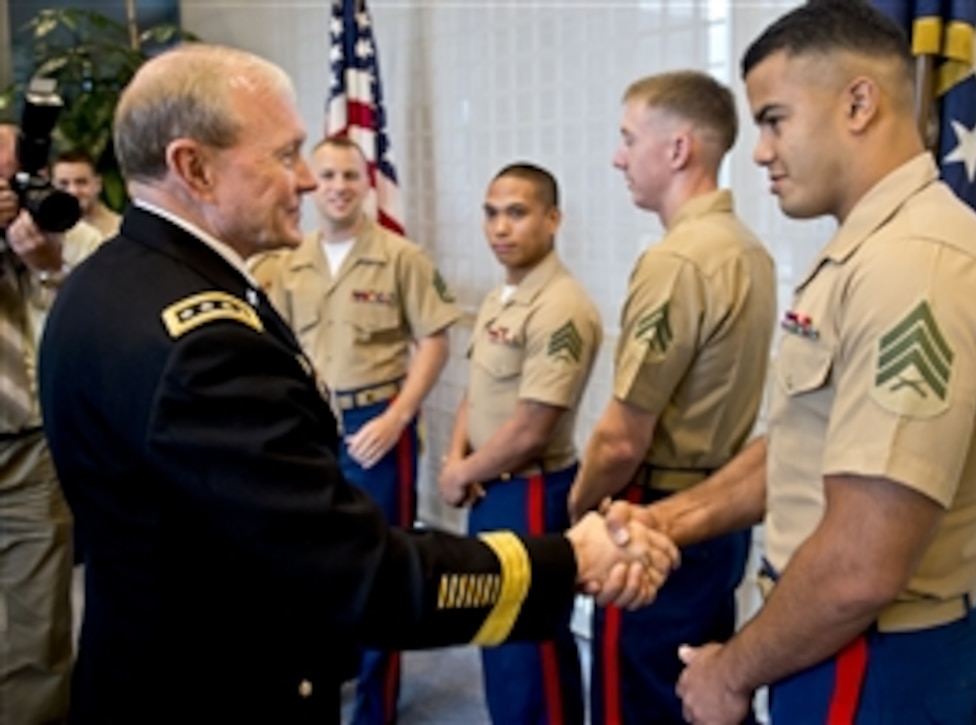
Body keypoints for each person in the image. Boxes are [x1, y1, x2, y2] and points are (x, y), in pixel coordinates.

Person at [36, 43, 678, 725]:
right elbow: (355, 573)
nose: (309, 181)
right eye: (285, 156)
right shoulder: (206, 343)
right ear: (193, 167)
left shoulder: (99, 285)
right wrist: (568, 560)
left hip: (139, 663)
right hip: (219, 690)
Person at [606, 2, 976, 723]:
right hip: (837, 646)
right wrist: (668, 522)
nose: (761, 150)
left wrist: (729, 671)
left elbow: (863, 561)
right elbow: (810, 448)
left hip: (882, 665)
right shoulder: (868, 250)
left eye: (774, 119)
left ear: (858, 103)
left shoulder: (913, 267)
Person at [567, 71, 777, 724]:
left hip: (657, 511)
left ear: (679, 149)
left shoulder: (677, 262)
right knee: (697, 688)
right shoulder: (750, 250)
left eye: (629, 138)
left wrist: (575, 512)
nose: (617, 156)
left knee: (636, 697)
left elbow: (622, 436)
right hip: (723, 507)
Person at [250, 136, 459, 725]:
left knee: (379, 572)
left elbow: (436, 342)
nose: (338, 186)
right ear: (312, 182)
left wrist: (398, 417)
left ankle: (376, 709)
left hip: (376, 427)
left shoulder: (400, 257)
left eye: (350, 174)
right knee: (307, 562)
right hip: (309, 425)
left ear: (367, 182)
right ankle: (319, 686)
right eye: (328, 175)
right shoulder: (287, 263)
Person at [439, 162, 603, 724]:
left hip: (530, 491)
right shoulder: (499, 298)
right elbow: (479, 390)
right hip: (491, 487)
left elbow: (534, 426)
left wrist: (463, 474)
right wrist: (455, 456)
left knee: (530, 641)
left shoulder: (562, 306)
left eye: (517, 212)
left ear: (553, 219)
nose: (499, 227)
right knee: (497, 629)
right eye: (491, 212)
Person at [0, 123, 104, 725]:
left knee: (39, 638)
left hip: (28, 450)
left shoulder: (57, 228)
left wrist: (46, 266)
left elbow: (102, 310)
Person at [50, 149, 122, 238]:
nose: (73, 191)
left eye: (81, 182)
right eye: (63, 184)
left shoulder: (120, 230)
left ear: (98, 184)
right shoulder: (47, 234)